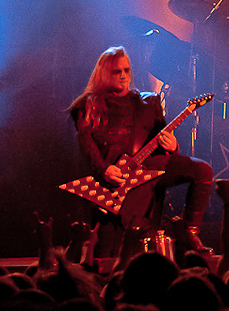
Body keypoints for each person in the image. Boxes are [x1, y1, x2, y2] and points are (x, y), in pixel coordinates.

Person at [68, 46, 214, 257]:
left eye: (127, 70)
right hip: (114, 181)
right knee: (109, 250)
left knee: (203, 171)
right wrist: (104, 169)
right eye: (117, 71)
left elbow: (163, 141)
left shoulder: (149, 102)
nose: (124, 76)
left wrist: (173, 147)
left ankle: (190, 231)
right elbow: (87, 147)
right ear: (104, 73)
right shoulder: (87, 105)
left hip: (149, 169)